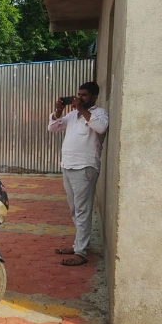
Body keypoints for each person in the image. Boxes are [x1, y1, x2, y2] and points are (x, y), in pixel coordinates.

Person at [48, 81, 108, 266]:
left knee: (83, 210)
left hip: (85, 167)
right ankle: (79, 245)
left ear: (94, 97)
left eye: (84, 95)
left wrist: (82, 109)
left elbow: (101, 128)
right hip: (68, 166)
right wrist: (58, 112)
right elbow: (53, 128)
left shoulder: (99, 113)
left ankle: (80, 252)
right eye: (79, 95)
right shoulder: (73, 114)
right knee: (75, 209)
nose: (80, 98)